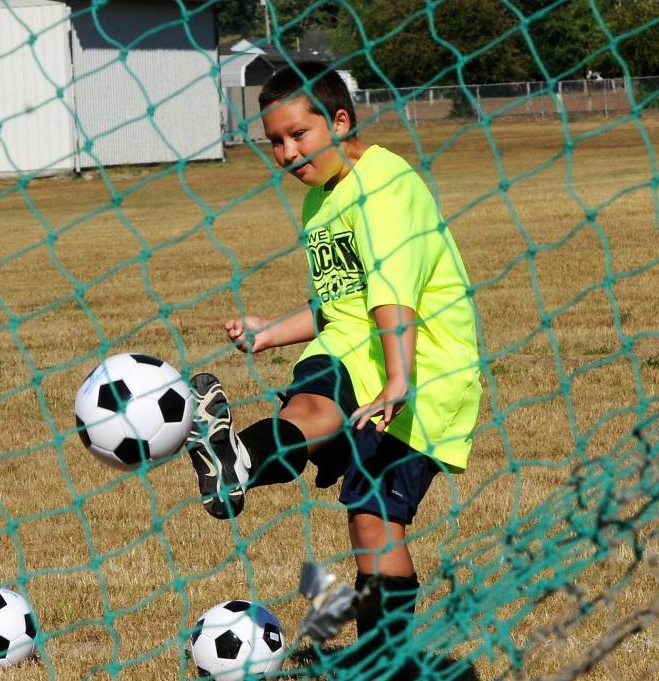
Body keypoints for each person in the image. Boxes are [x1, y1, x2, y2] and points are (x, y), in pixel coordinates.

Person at [185, 62, 482, 677]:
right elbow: (339, 304)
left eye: (298, 135)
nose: (287, 153)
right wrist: (270, 334)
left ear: (339, 121)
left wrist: (398, 378)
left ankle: (238, 457)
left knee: (370, 507)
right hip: (360, 347)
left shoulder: (384, 188)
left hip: (422, 369)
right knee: (372, 520)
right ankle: (387, 660)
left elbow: (392, 293)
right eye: (274, 141)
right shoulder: (322, 200)